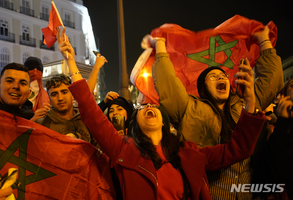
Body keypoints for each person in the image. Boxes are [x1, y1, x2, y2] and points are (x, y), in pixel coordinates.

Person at [57, 26, 266, 200]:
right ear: (134, 125)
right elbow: (92, 114)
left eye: (153, 106)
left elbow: (238, 149)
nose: (149, 107)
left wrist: (250, 101)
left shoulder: (189, 152)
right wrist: (71, 63)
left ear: (165, 123)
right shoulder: (123, 150)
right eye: (142, 108)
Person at [147, 26, 283, 199]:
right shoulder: (189, 108)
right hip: (208, 193)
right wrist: (160, 46)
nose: (220, 77)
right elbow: (168, 85)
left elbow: (272, 82)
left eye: (224, 76)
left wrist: (264, 41)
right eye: (213, 76)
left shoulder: (244, 103)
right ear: (203, 89)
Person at [36, 74, 97, 146]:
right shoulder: (41, 124)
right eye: (54, 94)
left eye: (64, 92)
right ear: (49, 99)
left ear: (73, 94)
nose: (60, 98)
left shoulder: (87, 119)